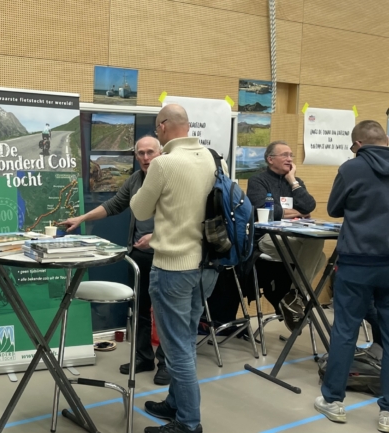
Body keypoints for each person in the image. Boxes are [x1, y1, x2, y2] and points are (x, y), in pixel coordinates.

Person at [314, 120, 389, 433]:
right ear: (386, 141)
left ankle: (333, 401)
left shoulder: (352, 168)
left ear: (357, 145)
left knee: (346, 330)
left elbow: (334, 209)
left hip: (358, 261)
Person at [130, 104, 227, 433]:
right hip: (208, 266)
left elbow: (139, 207)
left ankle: (188, 423)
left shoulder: (164, 164)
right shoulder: (214, 158)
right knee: (185, 339)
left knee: (177, 348)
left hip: (174, 267)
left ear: (162, 128)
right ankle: (175, 403)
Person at [59, 135, 170, 386]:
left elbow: (183, 218)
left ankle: (167, 363)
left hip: (165, 255)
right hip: (139, 256)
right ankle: (143, 357)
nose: (145, 158)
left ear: (160, 153)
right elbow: (114, 205)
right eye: (140, 153)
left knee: (164, 313)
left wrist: (156, 236)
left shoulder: (170, 178)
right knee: (140, 310)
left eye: (150, 152)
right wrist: (81, 218)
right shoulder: (135, 180)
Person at [246, 141, 326, 306]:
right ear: (270, 159)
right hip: (267, 238)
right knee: (319, 257)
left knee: (318, 246)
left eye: (291, 155)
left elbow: (309, 206)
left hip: (293, 236)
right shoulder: (257, 181)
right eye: (284, 155)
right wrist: (298, 212)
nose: (290, 159)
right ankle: (296, 298)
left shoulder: (295, 182)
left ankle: (294, 296)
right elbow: (263, 209)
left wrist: (293, 181)